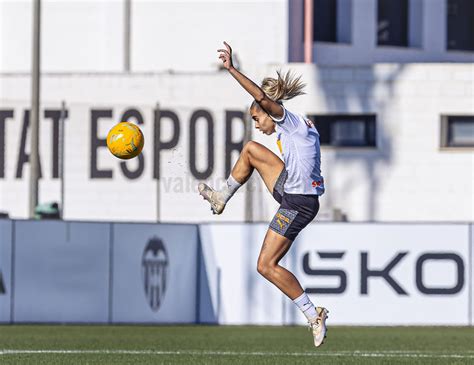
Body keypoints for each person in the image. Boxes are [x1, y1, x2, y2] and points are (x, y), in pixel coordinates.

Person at [198, 41, 328, 347]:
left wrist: (232, 69)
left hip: (298, 203)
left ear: (269, 111)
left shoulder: (286, 118)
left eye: (257, 119)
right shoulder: (295, 124)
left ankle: (313, 313)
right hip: (291, 190)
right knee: (251, 150)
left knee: (265, 265)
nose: (257, 124)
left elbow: (259, 96)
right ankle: (222, 197)